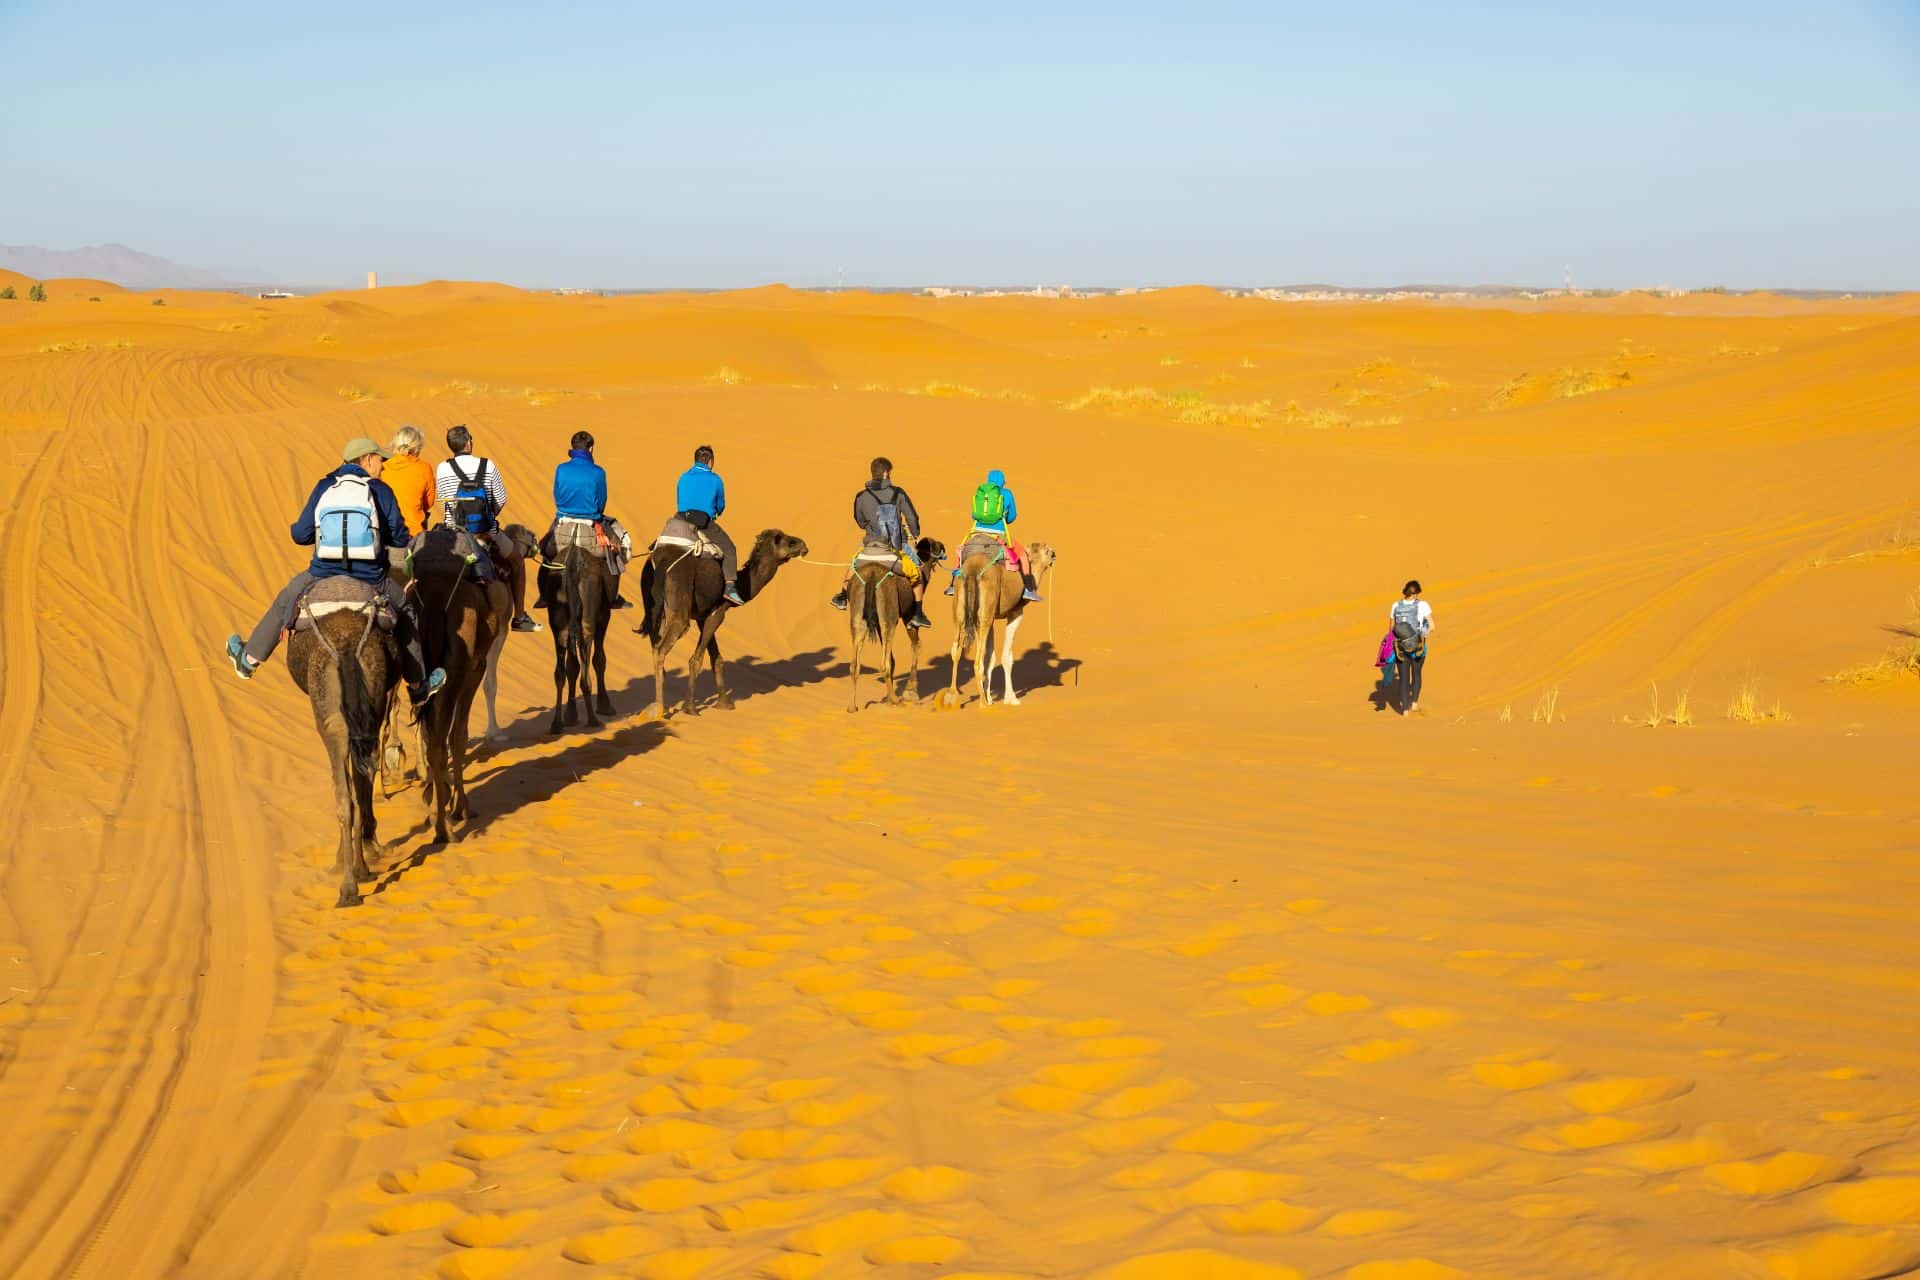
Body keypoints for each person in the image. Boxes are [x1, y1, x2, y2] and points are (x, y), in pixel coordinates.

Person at [224, 437, 444, 703]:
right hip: (371, 576)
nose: (382, 467)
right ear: (366, 460)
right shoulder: (380, 490)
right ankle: (418, 684)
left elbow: (300, 534)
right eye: (379, 461)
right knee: (406, 609)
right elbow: (399, 537)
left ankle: (248, 660)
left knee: (286, 599)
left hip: (323, 571)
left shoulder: (325, 486)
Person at [434, 424, 538, 632]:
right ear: (469, 443)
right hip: (486, 532)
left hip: (453, 536)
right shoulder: (487, 465)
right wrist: (488, 518)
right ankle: (519, 617)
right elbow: (500, 498)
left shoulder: (443, 468)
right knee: (517, 562)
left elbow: (444, 501)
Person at [831, 456, 932, 628]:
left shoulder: (861, 496)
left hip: (870, 544)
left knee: (854, 563)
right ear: (886, 473)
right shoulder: (898, 493)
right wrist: (915, 534)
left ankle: (841, 596)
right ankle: (917, 613)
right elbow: (912, 517)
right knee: (918, 574)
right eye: (890, 473)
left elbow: (859, 520)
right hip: (895, 546)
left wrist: (871, 527)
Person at [551, 430, 633, 606]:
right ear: (591, 449)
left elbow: (557, 495)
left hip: (563, 522)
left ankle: (545, 595)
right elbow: (601, 500)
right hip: (591, 523)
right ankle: (614, 597)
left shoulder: (561, 468)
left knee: (546, 550)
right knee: (616, 550)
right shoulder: (598, 472)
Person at [948, 467, 1041, 603]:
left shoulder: (981, 493)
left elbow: (974, 515)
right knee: (1022, 555)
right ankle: (1028, 589)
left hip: (977, 532)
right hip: (998, 535)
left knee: (961, 553)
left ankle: (952, 584)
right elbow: (1012, 517)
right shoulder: (1007, 494)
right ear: (1003, 481)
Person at [675, 444, 743, 606]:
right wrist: (717, 511)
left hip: (680, 519)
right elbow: (720, 506)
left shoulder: (683, 477)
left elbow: (679, 501)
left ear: (695, 460)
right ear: (710, 462)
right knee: (729, 549)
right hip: (703, 522)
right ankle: (730, 588)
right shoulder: (716, 479)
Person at [1388, 579, 1434, 715]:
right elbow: (1432, 626)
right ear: (1415, 594)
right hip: (1418, 646)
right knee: (1417, 674)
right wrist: (1422, 633)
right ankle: (1414, 703)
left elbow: (1391, 628)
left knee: (1403, 679)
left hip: (1400, 646)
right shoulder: (1423, 605)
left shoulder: (1395, 605)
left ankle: (1405, 711)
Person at [383, 424, 435, 539]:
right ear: (416, 447)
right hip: (414, 533)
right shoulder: (424, 468)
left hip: (387, 533)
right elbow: (429, 503)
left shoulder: (383, 467)